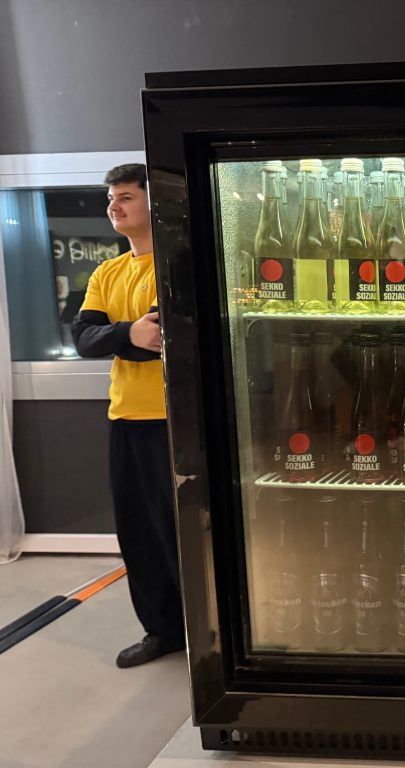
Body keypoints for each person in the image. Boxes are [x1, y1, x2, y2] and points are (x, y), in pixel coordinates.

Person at [72, 164, 185, 667]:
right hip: (126, 419)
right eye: (111, 199)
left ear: (152, 203)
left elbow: (161, 337)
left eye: (125, 197)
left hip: (175, 421)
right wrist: (126, 334)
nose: (113, 207)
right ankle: (162, 631)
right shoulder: (107, 272)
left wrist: (124, 337)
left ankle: (209, 635)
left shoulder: (178, 265)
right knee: (139, 534)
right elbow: (84, 338)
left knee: (183, 533)